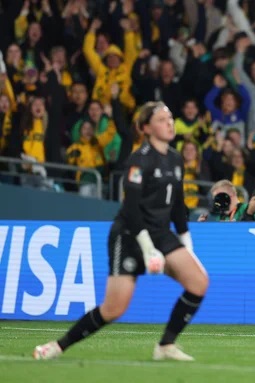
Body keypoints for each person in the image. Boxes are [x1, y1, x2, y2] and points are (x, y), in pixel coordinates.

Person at [33, 101, 209, 361]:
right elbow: (131, 208)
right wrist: (148, 249)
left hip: (161, 233)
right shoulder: (139, 159)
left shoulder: (175, 158)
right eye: (161, 119)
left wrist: (186, 243)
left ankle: (165, 346)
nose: (169, 122)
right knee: (113, 309)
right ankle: (57, 346)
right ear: (146, 127)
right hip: (129, 235)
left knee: (199, 282)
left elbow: (178, 204)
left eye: (170, 117)